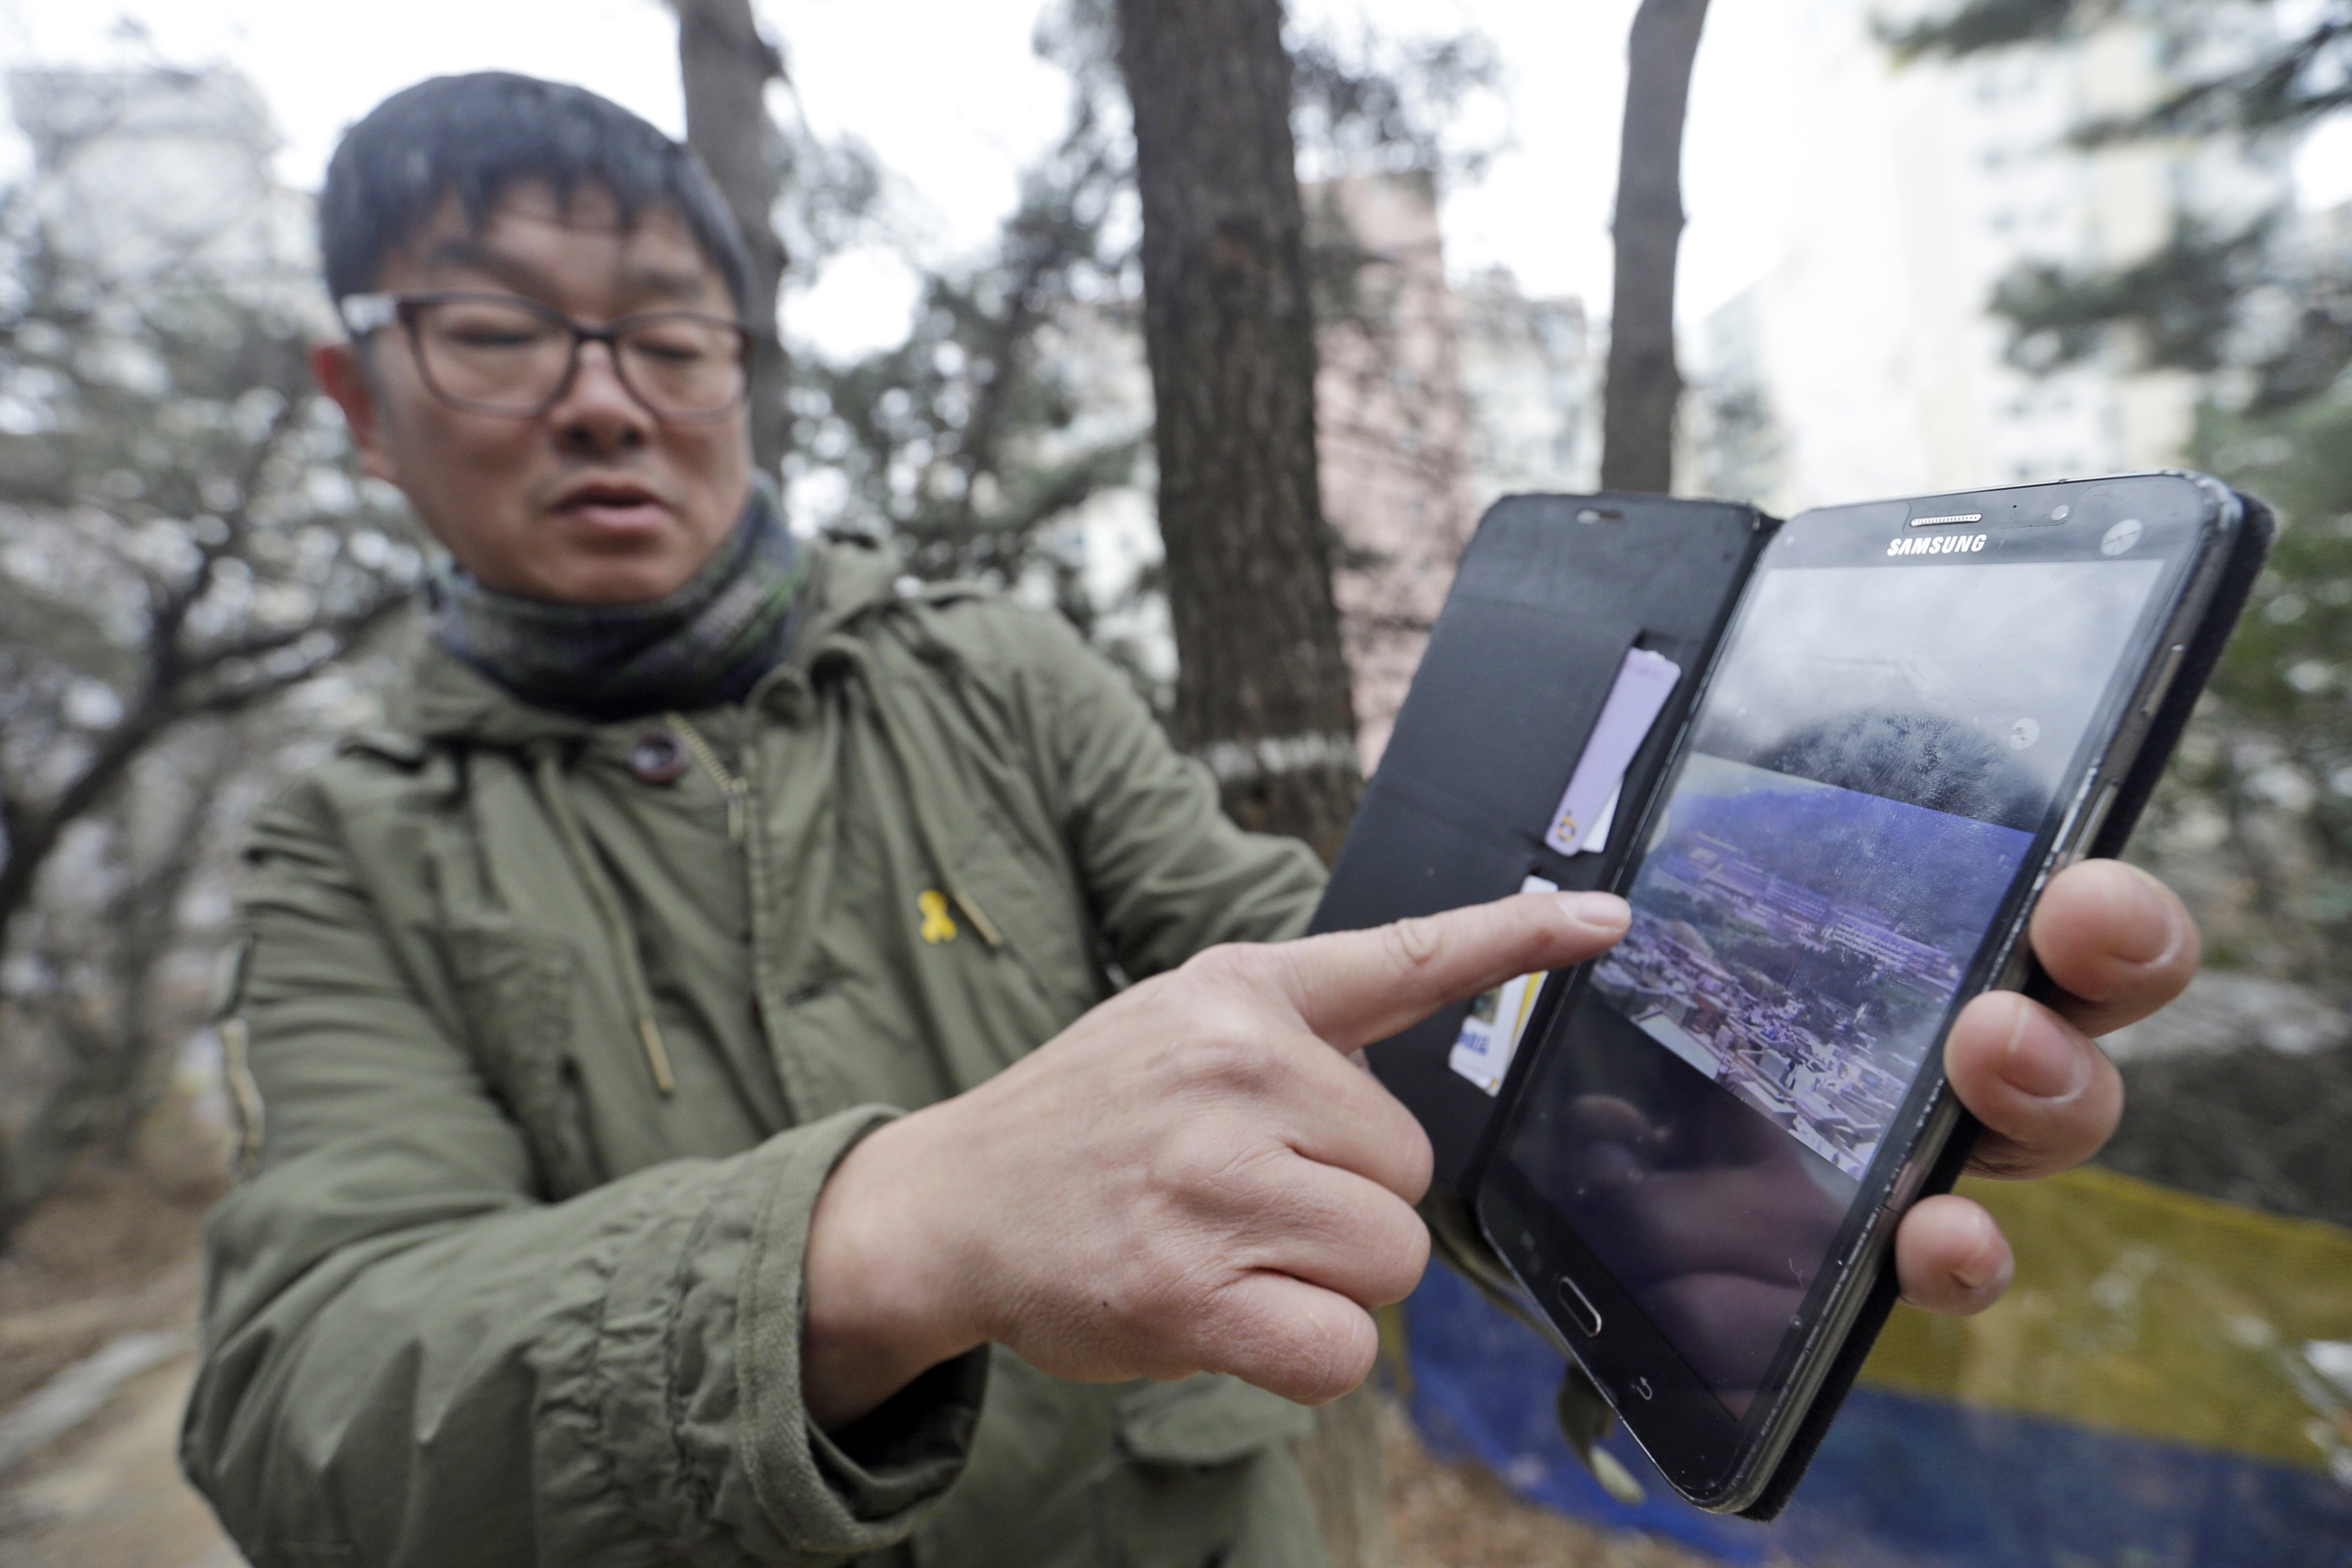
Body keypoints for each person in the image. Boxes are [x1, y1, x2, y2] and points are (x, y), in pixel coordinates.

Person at [181, 72, 2201, 1568]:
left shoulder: (992, 676)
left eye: (665, 330)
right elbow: (304, 1409)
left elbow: (1310, 978)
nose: (605, 398)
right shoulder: (349, 848)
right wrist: (891, 1230)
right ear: (358, 396)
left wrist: (1715, 1068)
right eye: (502, 328)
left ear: (742, 367)